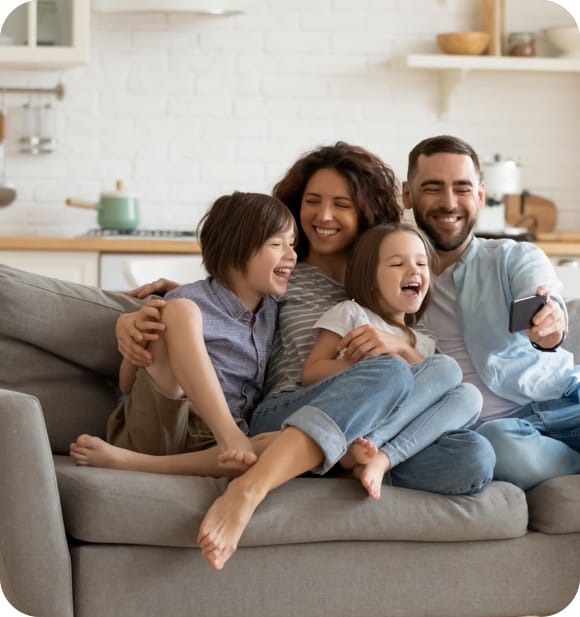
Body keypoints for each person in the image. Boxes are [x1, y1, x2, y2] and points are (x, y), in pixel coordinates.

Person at [115, 142, 495, 571]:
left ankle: (348, 455)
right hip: (289, 410)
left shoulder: (386, 281)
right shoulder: (287, 275)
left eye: (341, 205)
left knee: (473, 458)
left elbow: (429, 369)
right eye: (313, 202)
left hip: (370, 429)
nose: (324, 216)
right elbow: (225, 291)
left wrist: (400, 345)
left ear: (366, 212)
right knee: (386, 373)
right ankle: (252, 487)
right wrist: (137, 317)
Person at [70, 191, 298, 477]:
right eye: (277, 244)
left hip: (215, 447)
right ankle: (226, 434)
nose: (292, 255)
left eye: (292, 244)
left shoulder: (274, 312)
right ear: (233, 250)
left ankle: (131, 463)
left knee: (288, 442)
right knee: (181, 311)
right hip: (161, 425)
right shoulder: (183, 303)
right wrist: (137, 342)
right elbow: (127, 385)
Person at [403, 134, 580, 491]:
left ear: (480, 195)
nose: (449, 202)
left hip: (564, 401)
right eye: (433, 188)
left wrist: (551, 323)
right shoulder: (393, 276)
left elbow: (544, 298)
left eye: (462, 188)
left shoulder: (511, 257)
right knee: (498, 444)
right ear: (408, 194)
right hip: (504, 435)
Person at [301, 222, 482, 498]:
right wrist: (366, 367)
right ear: (370, 277)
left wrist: (403, 348)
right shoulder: (352, 314)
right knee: (445, 368)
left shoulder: (425, 341)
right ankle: (358, 451)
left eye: (421, 264)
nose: (413, 271)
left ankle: (381, 459)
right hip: (357, 420)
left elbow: (439, 390)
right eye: (397, 264)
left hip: (398, 438)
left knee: (470, 395)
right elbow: (311, 373)